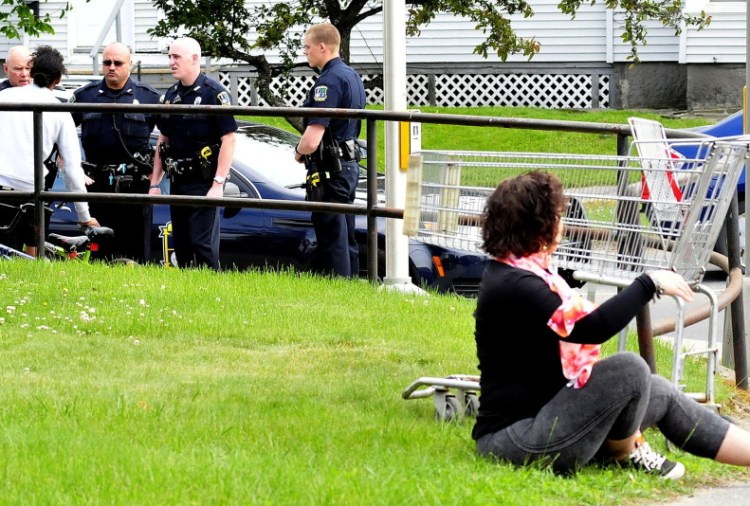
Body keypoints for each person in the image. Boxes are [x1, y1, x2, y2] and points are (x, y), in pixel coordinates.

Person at [473, 170, 750, 479]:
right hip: (518, 438)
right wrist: (649, 282)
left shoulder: (530, 274)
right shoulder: (514, 283)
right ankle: (624, 452)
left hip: (552, 417)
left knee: (657, 389)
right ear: (538, 225)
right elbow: (591, 327)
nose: (563, 224)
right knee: (628, 370)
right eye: (557, 216)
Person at [0, 45, 99, 256]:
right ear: (58, 79)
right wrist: (84, 216)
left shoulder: (4, 97)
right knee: (31, 258)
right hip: (31, 191)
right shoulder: (60, 111)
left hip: (3, 188)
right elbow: (72, 169)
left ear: (32, 72)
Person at [148, 37, 236, 270]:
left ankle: (211, 295)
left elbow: (228, 139)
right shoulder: (170, 96)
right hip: (179, 180)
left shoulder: (214, 94)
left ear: (195, 59)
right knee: (184, 245)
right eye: (169, 57)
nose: (171, 62)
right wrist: (155, 182)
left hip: (203, 180)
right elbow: (163, 140)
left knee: (202, 245)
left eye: (176, 57)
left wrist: (218, 184)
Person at [70, 42, 160, 263]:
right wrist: (71, 168)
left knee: (136, 255)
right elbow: (60, 135)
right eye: (107, 62)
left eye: (118, 63)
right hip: (97, 186)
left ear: (130, 64)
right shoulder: (85, 96)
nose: (111, 67)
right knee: (99, 255)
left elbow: (168, 140)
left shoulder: (149, 97)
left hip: (135, 187)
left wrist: (156, 177)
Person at [294, 23, 366, 278]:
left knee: (332, 235)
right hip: (347, 165)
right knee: (346, 235)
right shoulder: (351, 75)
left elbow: (313, 137)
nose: (305, 52)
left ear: (322, 47)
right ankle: (350, 287)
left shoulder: (328, 81)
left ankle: (339, 286)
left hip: (330, 168)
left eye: (307, 47)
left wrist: (299, 151)